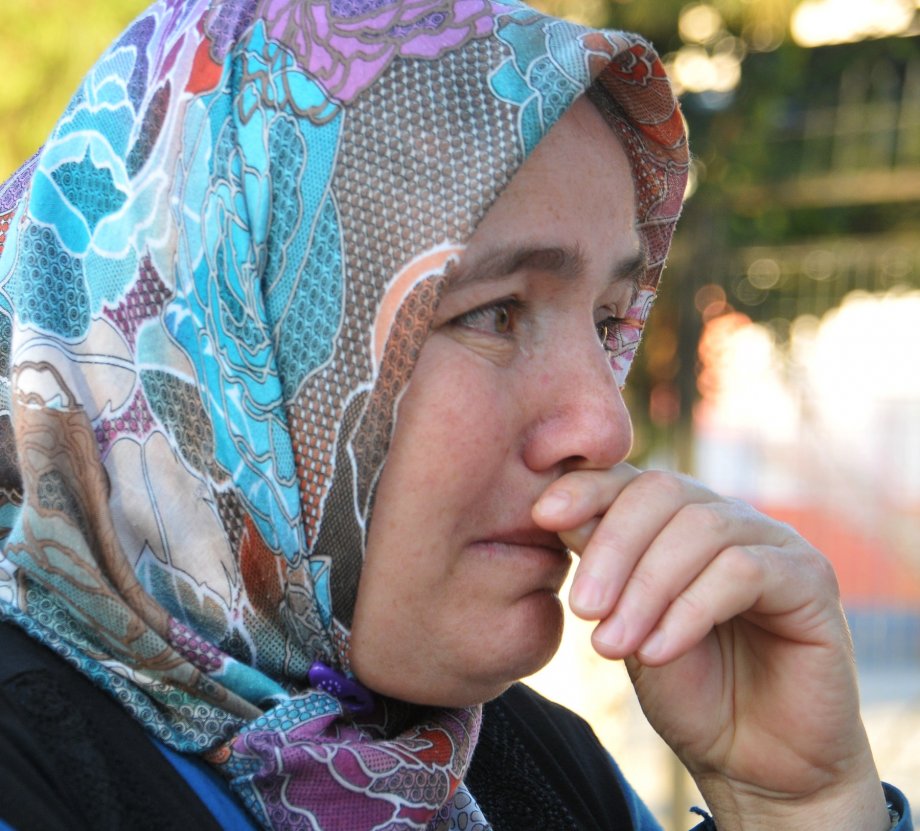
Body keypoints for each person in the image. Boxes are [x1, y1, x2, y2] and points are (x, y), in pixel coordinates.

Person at [0, 0, 910, 829]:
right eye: (493, 313)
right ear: (214, 344)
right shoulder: (36, 773)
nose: (605, 427)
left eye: (607, 322)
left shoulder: (531, 771)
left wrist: (799, 807)